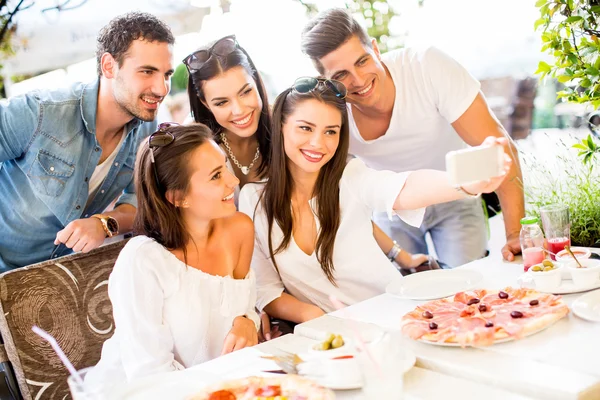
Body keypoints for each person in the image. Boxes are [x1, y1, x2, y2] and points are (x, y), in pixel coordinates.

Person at [239, 78, 511, 323]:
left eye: (330, 131)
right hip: (332, 338)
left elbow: (402, 188)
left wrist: (464, 182)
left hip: (398, 317)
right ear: (281, 126)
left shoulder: (350, 176)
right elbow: (266, 289)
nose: (318, 143)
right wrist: (315, 316)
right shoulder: (253, 199)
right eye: (305, 128)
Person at [300, 8, 525, 265]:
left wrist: (516, 234)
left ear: (375, 48)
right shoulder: (330, 114)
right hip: (391, 209)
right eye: (341, 75)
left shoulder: (427, 67)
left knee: (472, 286)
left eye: (362, 61)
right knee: (404, 295)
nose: (359, 80)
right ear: (325, 81)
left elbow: (500, 151)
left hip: (456, 197)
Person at [86, 124, 259, 385]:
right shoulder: (142, 261)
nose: (233, 181)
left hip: (219, 386)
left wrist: (248, 321)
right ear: (178, 198)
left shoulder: (240, 229)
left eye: (225, 166)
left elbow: (245, 307)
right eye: (215, 176)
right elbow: (151, 375)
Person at [0, 12, 175, 271]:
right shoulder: (40, 111)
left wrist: (104, 224)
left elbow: (141, 203)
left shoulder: (147, 129)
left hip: (57, 277)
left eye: (167, 74)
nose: (161, 88)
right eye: (147, 72)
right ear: (108, 66)